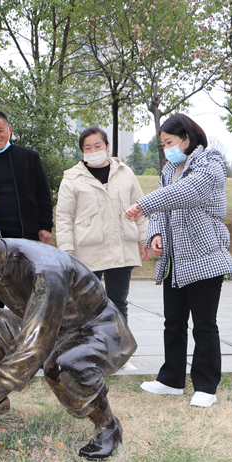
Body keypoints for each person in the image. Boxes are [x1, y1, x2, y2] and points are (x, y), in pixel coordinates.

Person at [0, 213, 136, 460]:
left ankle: (108, 426)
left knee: (62, 366)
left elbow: (33, 347)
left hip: (97, 330)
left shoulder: (44, 271)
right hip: (51, 328)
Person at [124, 113, 232, 408]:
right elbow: (164, 207)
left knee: (204, 325)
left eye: (169, 142)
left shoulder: (209, 164)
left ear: (186, 138)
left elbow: (186, 193)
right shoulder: (170, 169)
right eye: (162, 144)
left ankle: (206, 386)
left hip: (204, 257)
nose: (166, 149)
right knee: (173, 323)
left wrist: (143, 204)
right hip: (175, 260)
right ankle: (171, 380)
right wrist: (155, 233)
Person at [55, 125, 151, 321]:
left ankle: (119, 340)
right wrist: (66, 250)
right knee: (86, 305)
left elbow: (140, 209)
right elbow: (64, 217)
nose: (93, 151)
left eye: (97, 146)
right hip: (88, 251)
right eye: (87, 148)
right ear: (82, 151)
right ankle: (89, 341)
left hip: (122, 249)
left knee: (119, 303)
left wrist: (144, 238)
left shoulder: (125, 172)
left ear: (107, 146)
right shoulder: (72, 178)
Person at [0, 110, 53, 243]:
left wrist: (46, 226)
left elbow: (43, 193)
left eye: (0, 131)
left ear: (9, 130)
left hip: (28, 232)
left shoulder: (30, 157)